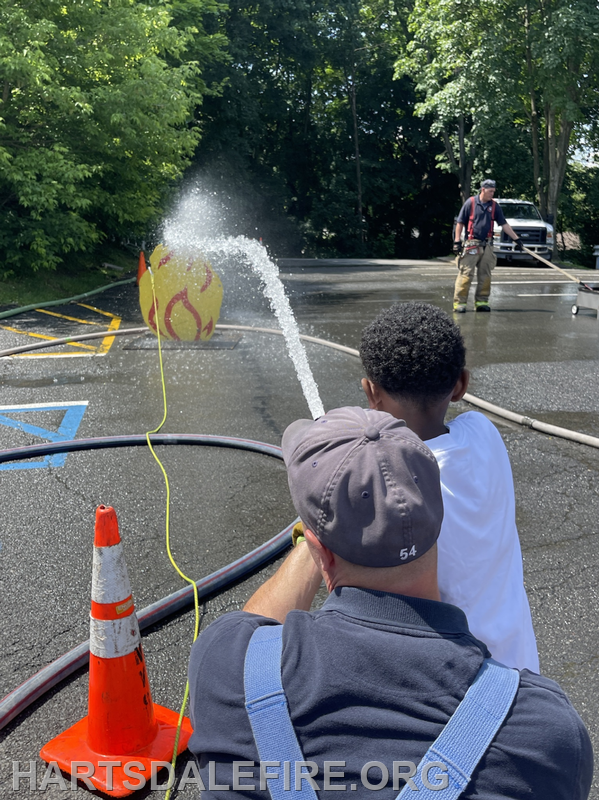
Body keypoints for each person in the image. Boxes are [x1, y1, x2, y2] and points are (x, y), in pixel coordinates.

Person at [187, 406, 592, 800]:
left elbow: (252, 627)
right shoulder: (544, 732)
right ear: (438, 520)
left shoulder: (223, 667)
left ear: (318, 552)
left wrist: (318, 540)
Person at [360, 302, 539, 672]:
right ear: (460, 385)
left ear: (371, 392)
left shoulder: (391, 486)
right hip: (521, 663)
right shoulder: (483, 431)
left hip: (462, 683)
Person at [453, 179, 523, 313]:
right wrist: (457, 242)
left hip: (488, 245)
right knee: (466, 274)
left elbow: (504, 225)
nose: (492, 194)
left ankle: (481, 302)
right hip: (472, 244)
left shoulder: (495, 206)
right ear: (483, 189)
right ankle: (459, 304)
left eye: (493, 191)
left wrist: (516, 239)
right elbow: (460, 223)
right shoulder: (471, 203)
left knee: (485, 275)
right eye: (490, 191)